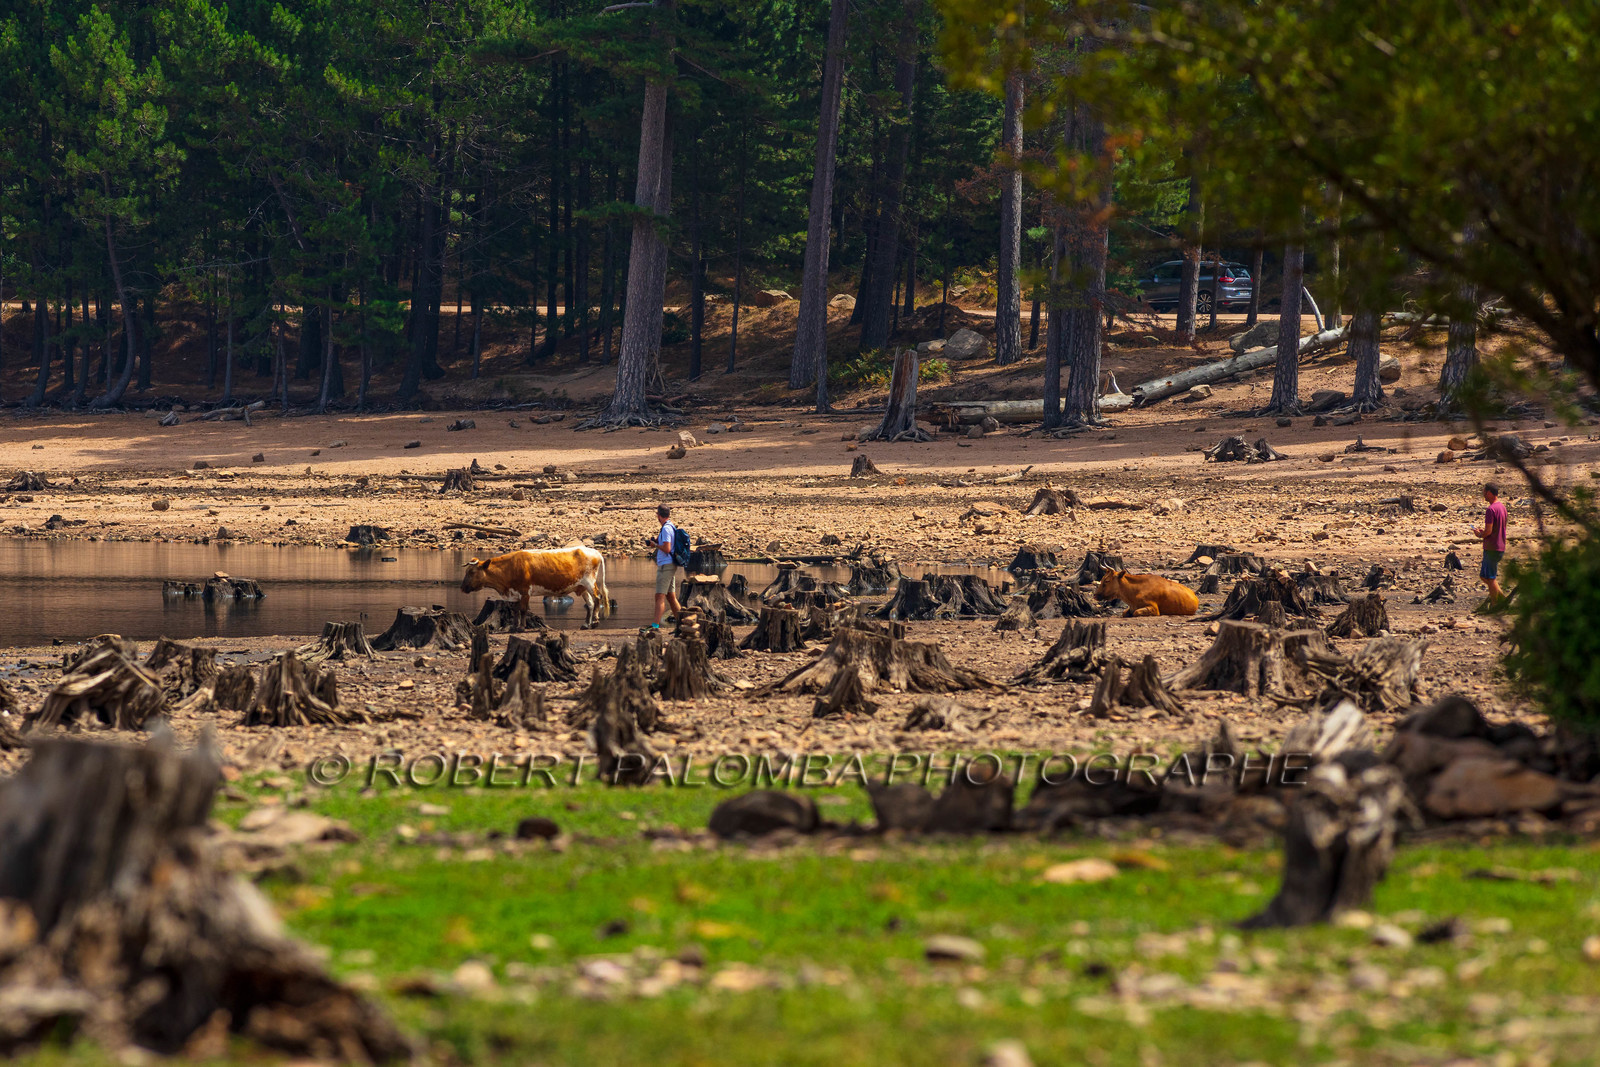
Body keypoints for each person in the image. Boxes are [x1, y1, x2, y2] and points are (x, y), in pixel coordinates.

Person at [1473, 482, 1508, 603]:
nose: (1483, 495)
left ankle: (1496, 603)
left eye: (1484, 493)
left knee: (1490, 578)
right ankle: (1502, 599)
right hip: (1499, 545)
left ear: (1488, 493)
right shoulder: (1502, 507)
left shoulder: (1491, 509)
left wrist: (1480, 534)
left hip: (1492, 547)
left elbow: (1488, 531)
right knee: (1485, 576)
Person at [651, 504, 684, 629]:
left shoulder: (665, 529)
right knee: (671, 597)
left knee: (659, 596)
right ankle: (681, 623)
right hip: (670, 564)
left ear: (659, 516)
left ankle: (655, 626)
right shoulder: (671, 527)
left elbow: (667, 548)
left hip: (666, 565)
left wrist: (655, 545)